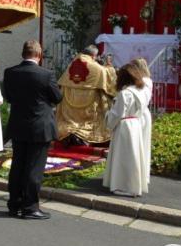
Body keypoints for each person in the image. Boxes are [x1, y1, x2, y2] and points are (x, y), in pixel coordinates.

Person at [2, 40, 63, 219]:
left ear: (23, 53)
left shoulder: (10, 72)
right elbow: (57, 97)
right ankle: (30, 207)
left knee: (18, 166)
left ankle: (14, 204)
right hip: (39, 126)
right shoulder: (46, 74)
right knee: (34, 168)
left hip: (19, 125)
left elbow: (9, 97)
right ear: (39, 55)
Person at [102, 63, 149, 197]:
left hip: (124, 126)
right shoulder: (140, 91)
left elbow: (117, 114)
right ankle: (134, 185)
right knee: (133, 156)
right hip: (135, 123)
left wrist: (107, 116)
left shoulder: (125, 93)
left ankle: (124, 186)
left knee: (123, 157)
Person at [55, 45, 117, 145]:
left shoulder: (70, 65)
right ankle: (83, 136)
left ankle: (70, 134)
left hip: (70, 110)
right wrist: (109, 66)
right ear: (94, 56)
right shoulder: (98, 68)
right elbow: (110, 82)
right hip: (88, 108)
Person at [132, 58, 153, 185]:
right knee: (143, 146)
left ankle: (137, 176)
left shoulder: (142, 81)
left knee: (139, 146)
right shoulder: (147, 80)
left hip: (139, 114)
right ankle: (141, 176)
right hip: (144, 114)